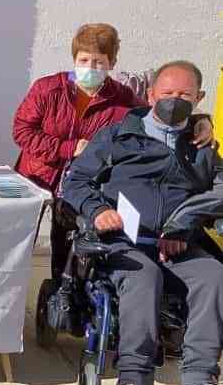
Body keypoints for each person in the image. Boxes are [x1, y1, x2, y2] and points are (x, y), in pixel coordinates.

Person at [62, 61, 223, 385]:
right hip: (125, 242)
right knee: (144, 276)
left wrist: (185, 224)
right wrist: (98, 209)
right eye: (167, 94)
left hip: (179, 246)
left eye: (184, 95)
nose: (174, 101)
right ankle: (132, 384)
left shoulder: (201, 148)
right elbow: (76, 182)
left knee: (214, 275)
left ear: (198, 99)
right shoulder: (117, 137)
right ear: (150, 95)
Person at [14, 24, 213, 279]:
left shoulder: (121, 96)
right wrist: (69, 148)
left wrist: (200, 121)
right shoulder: (49, 89)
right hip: (40, 175)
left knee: (66, 248)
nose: (90, 67)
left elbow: (158, 115)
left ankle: (60, 306)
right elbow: (22, 131)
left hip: (82, 183)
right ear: (74, 59)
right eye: (84, 60)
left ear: (112, 63)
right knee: (21, 244)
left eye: (99, 61)